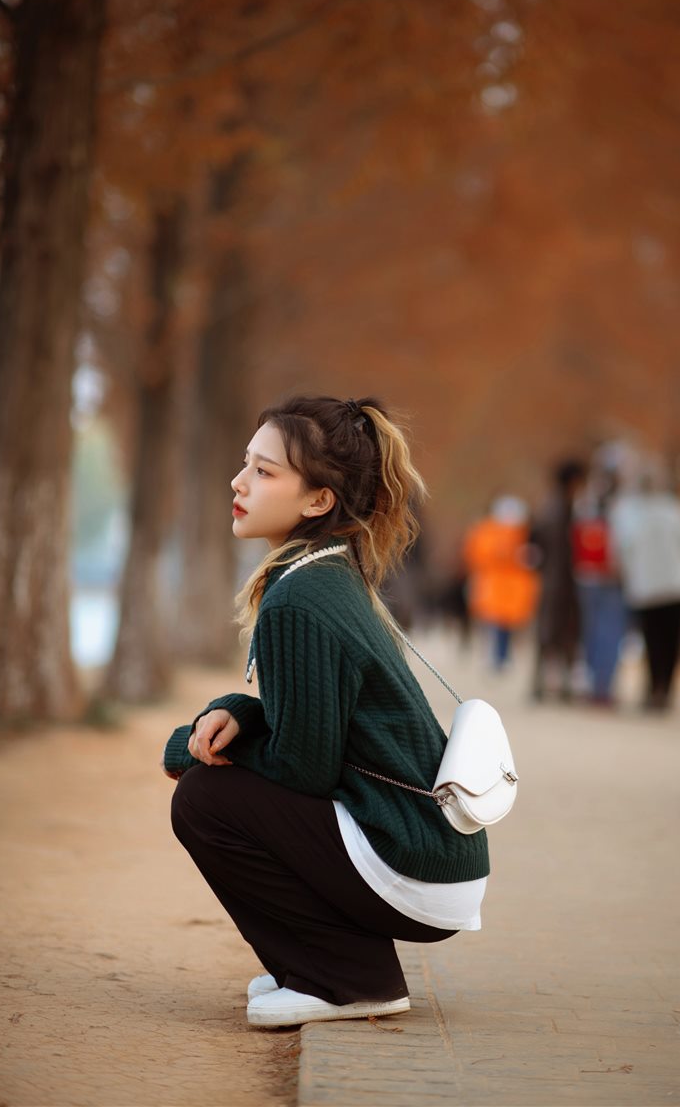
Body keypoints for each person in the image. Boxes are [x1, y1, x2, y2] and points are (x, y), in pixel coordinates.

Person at [162, 395, 489, 1029]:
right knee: (222, 794)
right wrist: (243, 712)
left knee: (206, 799)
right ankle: (321, 965)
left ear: (318, 500)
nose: (238, 482)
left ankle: (347, 979)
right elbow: (319, 731)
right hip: (429, 850)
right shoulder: (327, 571)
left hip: (413, 860)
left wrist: (186, 748)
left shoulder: (300, 598)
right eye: (246, 463)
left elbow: (302, 770)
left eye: (264, 472)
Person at [609, 466, 680, 710]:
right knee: (667, 640)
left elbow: (620, 551)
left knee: (656, 641)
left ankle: (658, 689)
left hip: (651, 586)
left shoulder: (631, 512)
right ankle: (661, 689)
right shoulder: (674, 510)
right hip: (672, 585)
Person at [530, 460, 587, 701]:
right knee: (556, 633)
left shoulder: (552, 507)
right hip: (560, 581)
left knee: (553, 633)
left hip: (554, 580)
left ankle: (547, 683)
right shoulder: (561, 509)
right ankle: (550, 684)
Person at [462, 495, 539, 670]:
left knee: (501, 626)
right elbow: (477, 555)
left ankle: (500, 657)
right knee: (495, 625)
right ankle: (497, 657)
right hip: (495, 588)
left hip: (504, 589)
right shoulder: (491, 533)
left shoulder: (513, 533)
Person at [572, 469, 628, 705]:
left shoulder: (583, 510)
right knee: (608, 635)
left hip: (588, 579)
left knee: (593, 633)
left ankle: (594, 684)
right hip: (609, 581)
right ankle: (602, 686)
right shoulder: (623, 512)